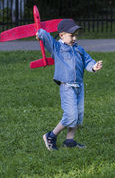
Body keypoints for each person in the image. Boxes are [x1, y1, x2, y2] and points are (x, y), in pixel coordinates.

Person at [36, 19, 103, 151]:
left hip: (79, 86)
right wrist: (40, 33)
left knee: (78, 115)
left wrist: (94, 66)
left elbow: (87, 61)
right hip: (67, 86)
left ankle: (69, 141)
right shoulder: (57, 48)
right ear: (61, 35)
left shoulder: (79, 49)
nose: (74, 38)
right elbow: (46, 37)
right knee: (70, 115)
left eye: (76, 35)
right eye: (71, 35)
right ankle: (51, 135)